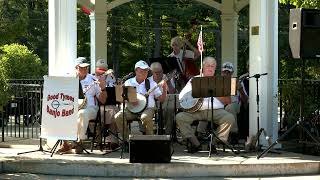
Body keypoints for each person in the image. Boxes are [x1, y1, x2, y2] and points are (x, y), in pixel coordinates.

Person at [175, 57, 235, 153]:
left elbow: (228, 101)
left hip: (215, 110)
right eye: (208, 66)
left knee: (229, 118)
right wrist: (195, 96)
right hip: (196, 110)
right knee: (179, 117)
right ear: (203, 67)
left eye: (213, 66)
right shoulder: (194, 80)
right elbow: (183, 97)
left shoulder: (221, 81)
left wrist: (213, 90)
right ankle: (195, 143)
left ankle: (214, 144)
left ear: (215, 68)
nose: (210, 68)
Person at [57, 57, 107, 154]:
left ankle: (79, 141)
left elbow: (103, 100)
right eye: (82, 68)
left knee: (82, 113)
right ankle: (66, 144)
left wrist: (103, 88)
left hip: (90, 108)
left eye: (86, 68)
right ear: (76, 68)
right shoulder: (69, 79)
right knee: (61, 113)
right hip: (72, 107)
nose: (85, 69)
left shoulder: (93, 79)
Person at [114, 60, 164, 142]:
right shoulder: (128, 82)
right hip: (131, 109)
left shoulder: (152, 83)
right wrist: (129, 100)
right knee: (118, 117)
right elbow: (120, 99)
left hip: (148, 109)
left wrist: (164, 89)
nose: (144, 72)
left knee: (145, 117)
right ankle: (128, 141)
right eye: (142, 70)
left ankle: (150, 142)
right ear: (136, 70)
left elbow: (161, 99)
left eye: (146, 70)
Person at [94, 59, 119, 150]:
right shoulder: (92, 78)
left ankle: (112, 141)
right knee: (104, 112)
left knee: (114, 112)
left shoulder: (111, 78)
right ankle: (100, 140)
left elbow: (116, 94)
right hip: (96, 104)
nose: (102, 74)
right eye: (99, 71)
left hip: (110, 103)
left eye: (104, 72)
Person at [148, 62, 175, 134]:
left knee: (170, 109)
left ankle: (168, 133)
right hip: (152, 103)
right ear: (151, 72)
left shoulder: (167, 78)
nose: (158, 74)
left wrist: (168, 82)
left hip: (165, 102)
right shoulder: (148, 80)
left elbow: (172, 93)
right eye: (156, 72)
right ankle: (147, 132)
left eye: (160, 72)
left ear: (162, 70)